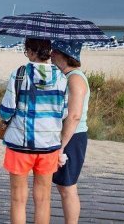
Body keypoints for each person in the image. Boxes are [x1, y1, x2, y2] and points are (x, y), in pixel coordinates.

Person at [0, 38, 68, 224]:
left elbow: (6, 111)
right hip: (48, 146)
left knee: (18, 199)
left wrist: (5, 116)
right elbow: (64, 112)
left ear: (30, 52)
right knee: (43, 199)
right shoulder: (61, 77)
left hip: (20, 146)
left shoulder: (20, 74)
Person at [50, 40, 89, 224]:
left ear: (65, 55)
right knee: (62, 186)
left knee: (68, 187)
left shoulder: (75, 79)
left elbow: (74, 116)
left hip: (72, 137)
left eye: (55, 51)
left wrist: (61, 146)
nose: (51, 54)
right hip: (66, 134)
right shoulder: (66, 77)